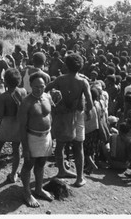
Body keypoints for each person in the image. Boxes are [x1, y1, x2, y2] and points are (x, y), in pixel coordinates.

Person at [45, 53, 94, 187]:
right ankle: (79, 178)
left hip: (62, 115)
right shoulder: (83, 82)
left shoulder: (60, 79)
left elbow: (45, 89)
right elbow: (89, 102)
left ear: (66, 65)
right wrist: (88, 112)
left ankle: (61, 170)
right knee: (78, 146)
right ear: (81, 67)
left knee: (60, 145)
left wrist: (54, 102)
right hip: (77, 115)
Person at [18, 71, 55, 207]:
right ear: (31, 86)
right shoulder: (26, 103)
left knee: (41, 163)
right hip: (32, 137)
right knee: (29, 164)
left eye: (42, 86)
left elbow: (50, 114)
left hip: (46, 136)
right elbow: (22, 127)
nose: (39, 89)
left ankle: (39, 188)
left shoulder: (47, 97)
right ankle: (27, 193)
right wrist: (25, 148)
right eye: (36, 87)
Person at [0, 68, 27, 182]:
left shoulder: (4, 96)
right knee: (16, 149)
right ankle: (13, 174)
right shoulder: (23, 92)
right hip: (18, 124)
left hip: (7, 124)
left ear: (6, 82)